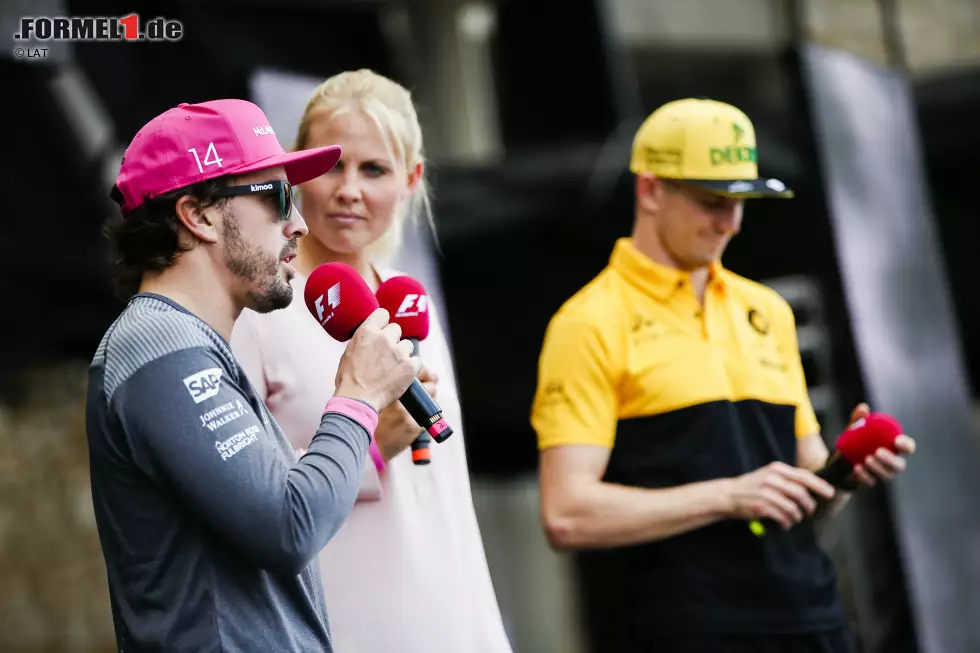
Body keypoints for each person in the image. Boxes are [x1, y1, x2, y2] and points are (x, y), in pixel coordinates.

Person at [530, 98, 917, 653]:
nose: (731, 224)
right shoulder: (588, 322)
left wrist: (845, 471)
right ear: (650, 189)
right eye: (713, 201)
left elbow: (806, 498)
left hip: (814, 621)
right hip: (688, 629)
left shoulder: (767, 310)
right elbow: (566, 515)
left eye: (742, 202)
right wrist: (729, 495)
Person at [86, 98, 423, 653]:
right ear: (199, 215)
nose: (298, 223)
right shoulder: (158, 345)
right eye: (276, 197)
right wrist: (358, 397)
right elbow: (290, 526)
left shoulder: (186, 344)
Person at [231, 69, 513, 653]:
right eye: (333, 164)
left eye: (374, 170)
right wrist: (367, 445)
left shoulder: (412, 305)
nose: (348, 190)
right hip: (335, 627)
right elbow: (243, 500)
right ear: (294, 169)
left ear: (412, 179)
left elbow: (448, 502)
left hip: (454, 626)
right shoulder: (255, 313)